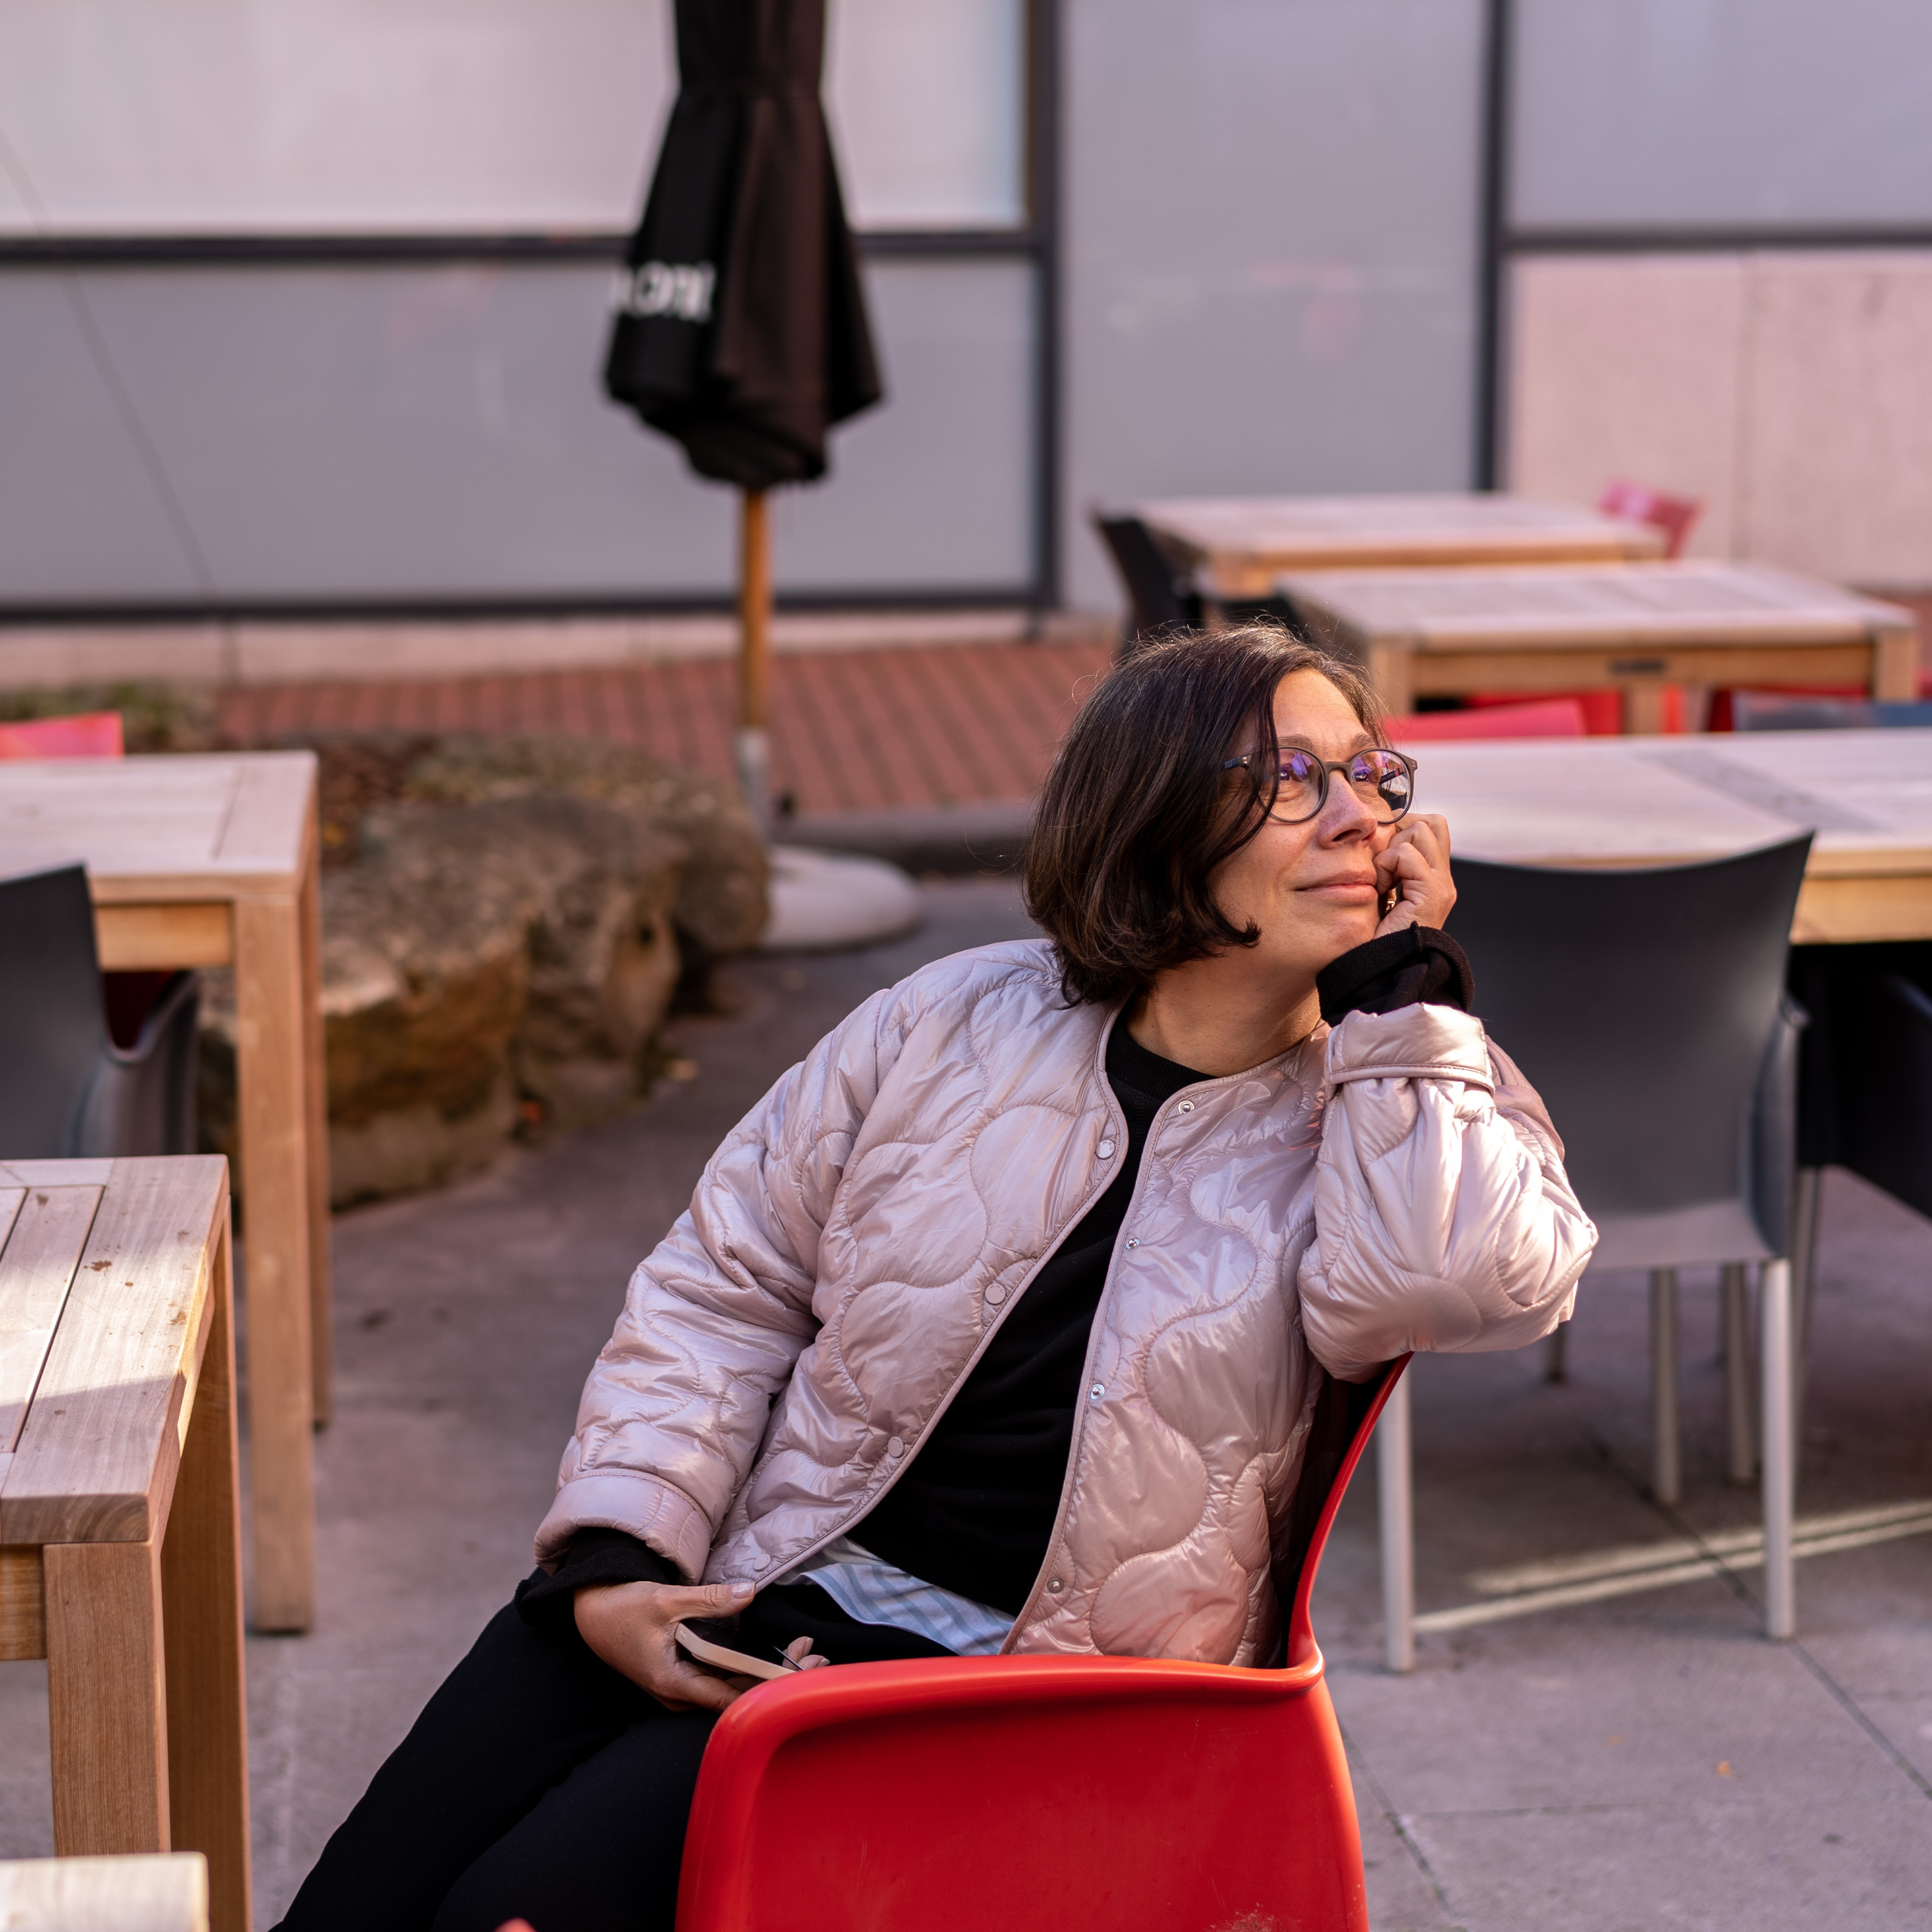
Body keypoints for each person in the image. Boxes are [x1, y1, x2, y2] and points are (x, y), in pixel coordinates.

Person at [278, 626, 1597, 1932]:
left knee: (512, 1914)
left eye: (1371, 775)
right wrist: (622, 1558)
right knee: (364, 1900)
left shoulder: (1408, 1095)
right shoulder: (950, 1020)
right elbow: (724, 1285)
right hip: (760, 1581)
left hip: (1002, 1690)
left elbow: (1446, 1284)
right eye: (1291, 779)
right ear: (1149, 820)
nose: (1358, 820)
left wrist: (1405, 1002)